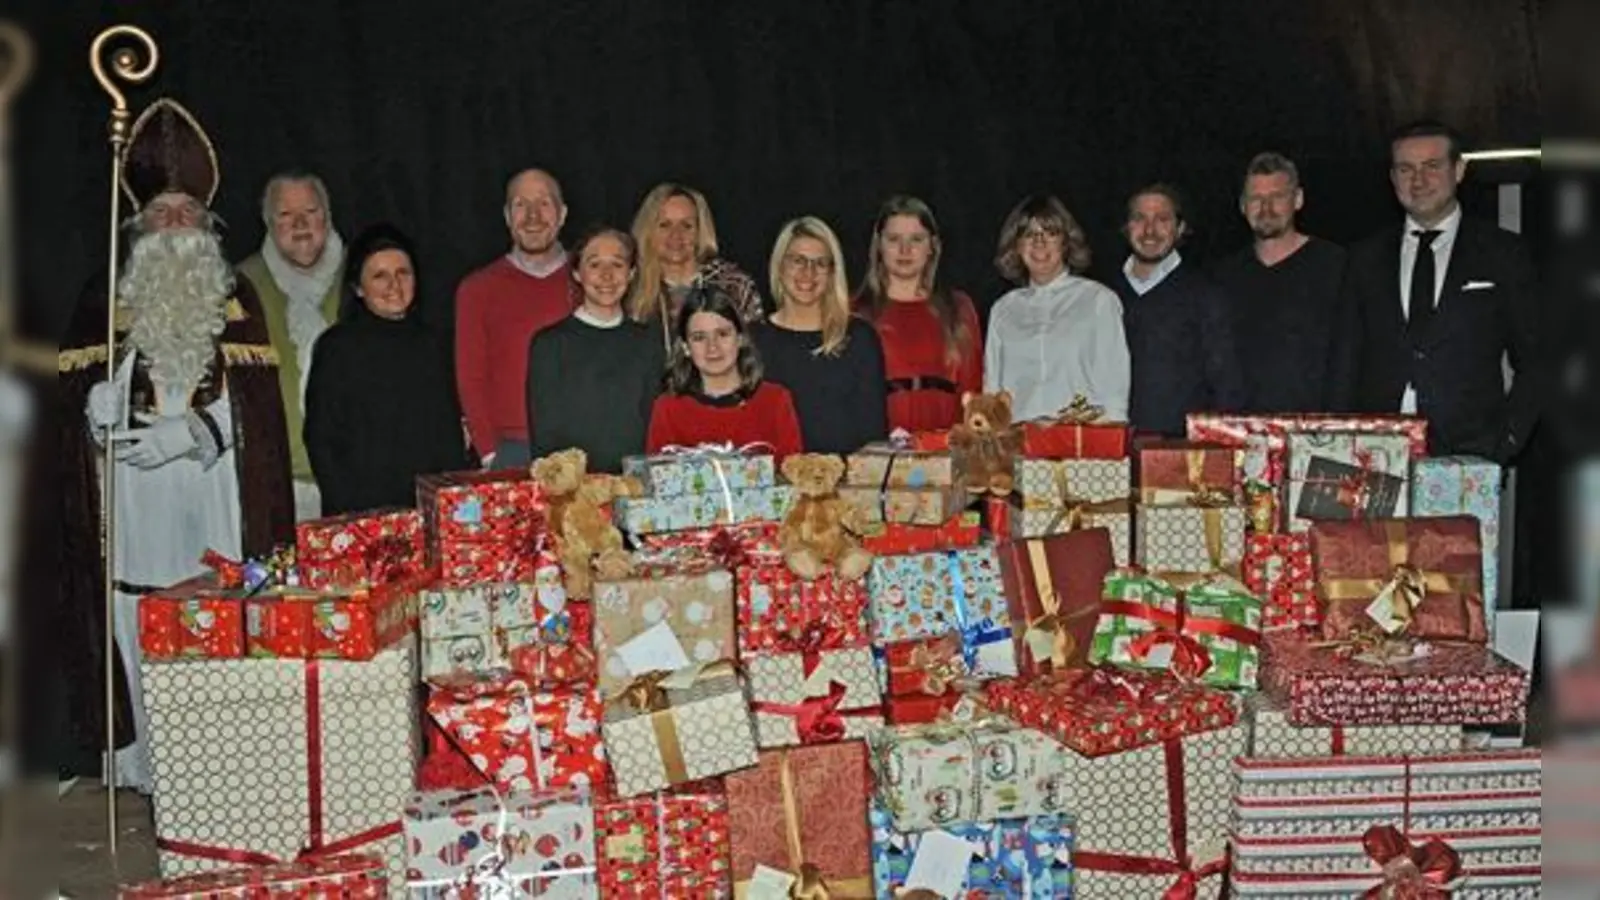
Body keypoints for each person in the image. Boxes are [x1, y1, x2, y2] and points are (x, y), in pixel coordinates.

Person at [58, 98, 294, 792]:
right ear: (139, 227)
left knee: (213, 613)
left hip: (211, 491)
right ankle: (147, 772)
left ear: (208, 225)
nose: (175, 225)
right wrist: (92, 415)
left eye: (187, 213)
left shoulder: (236, 295)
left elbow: (261, 415)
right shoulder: (104, 297)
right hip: (132, 505)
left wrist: (197, 431)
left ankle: (225, 768)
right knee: (137, 613)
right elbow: (70, 418)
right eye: (161, 215)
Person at [1333, 121, 1540, 461]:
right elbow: (1344, 361)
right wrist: (1339, 445)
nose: (1418, 180)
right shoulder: (1362, 259)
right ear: (1392, 178)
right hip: (1373, 454)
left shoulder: (1503, 254)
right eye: (1406, 169)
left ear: (1458, 170)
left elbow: (1537, 360)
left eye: (1432, 167)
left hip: (1470, 456)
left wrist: (1508, 439)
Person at [304, 225, 467, 515]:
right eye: (380, 276)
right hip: (364, 515)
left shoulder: (435, 343)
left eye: (403, 273)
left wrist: (453, 504)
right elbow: (322, 440)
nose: (394, 285)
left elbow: (450, 434)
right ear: (357, 287)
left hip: (431, 510)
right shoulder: (337, 348)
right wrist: (352, 515)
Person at [236, 170, 345, 520]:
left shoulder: (364, 275)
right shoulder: (240, 287)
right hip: (273, 483)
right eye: (285, 215)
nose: (300, 224)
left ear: (327, 217)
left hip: (355, 479)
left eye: (310, 212)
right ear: (268, 223)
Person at [455, 168, 575, 470]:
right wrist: (490, 454)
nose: (533, 216)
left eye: (544, 203)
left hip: (581, 447)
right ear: (507, 216)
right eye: (521, 204)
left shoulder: (592, 282)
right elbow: (471, 378)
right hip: (511, 453)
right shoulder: (477, 290)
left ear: (562, 214)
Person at [1213, 153, 1348, 413]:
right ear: (1242, 206)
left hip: (1320, 433)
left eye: (1277, 197)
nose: (1266, 209)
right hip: (1242, 432)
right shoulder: (1223, 277)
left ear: (1297, 200)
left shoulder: (1338, 267)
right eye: (1256, 199)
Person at [527, 226, 665, 473]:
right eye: (594, 264)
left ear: (632, 273)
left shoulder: (648, 342)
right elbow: (545, 436)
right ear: (577, 273)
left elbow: (654, 423)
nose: (607, 275)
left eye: (617, 264)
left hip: (633, 487)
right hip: (576, 493)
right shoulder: (550, 344)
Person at [1111, 183, 1245, 435]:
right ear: (1127, 227)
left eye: (1162, 219)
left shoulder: (1206, 294)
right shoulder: (1104, 296)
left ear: (1180, 228)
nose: (1150, 230)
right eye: (1140, 218)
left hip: (1182, 457)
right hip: (1112, 453)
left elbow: (1227, 387)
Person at [985, 195, 1130, 422]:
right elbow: (991, 391)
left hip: (1081, 445)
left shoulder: (1098, 300)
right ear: (1016, 246)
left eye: (1050, 233)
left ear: (1066, 243)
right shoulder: (1003, 309)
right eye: (1028, 234)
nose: (1039, 242)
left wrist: (1112, 441)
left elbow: (1115, 388)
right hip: (1018, 445)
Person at [751, 216, 887, 454]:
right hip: (772, 487)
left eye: (820, 263)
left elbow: (873, 437)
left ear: (833, 272)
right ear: (779, 266)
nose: (808, 272)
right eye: (798, 261)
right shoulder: (753, 341)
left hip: (843, 486)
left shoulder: (859, 339)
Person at [855, 195, 984, 433]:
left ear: (932, 246)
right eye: (894, 239)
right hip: (877, 452)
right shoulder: (856, 313)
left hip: (946, 450)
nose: (905, 250)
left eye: (916, 239)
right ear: (879, 245)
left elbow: (973, 392)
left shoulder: (958, 308)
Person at [646, 287, 803, 458]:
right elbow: (657, 477)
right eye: (699, 337)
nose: (712, 347)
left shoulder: (776, 402)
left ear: (740, 338)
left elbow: (794, 475)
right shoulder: (668, 408)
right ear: (685, 347)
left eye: (722, 334)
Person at [628, 182, 764, 349]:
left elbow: (756, 352)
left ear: (701, 231)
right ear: (648, 230)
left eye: (687, 225)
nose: (676, 235)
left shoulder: (733, 285)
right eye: (664, 225)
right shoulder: (628, 287)